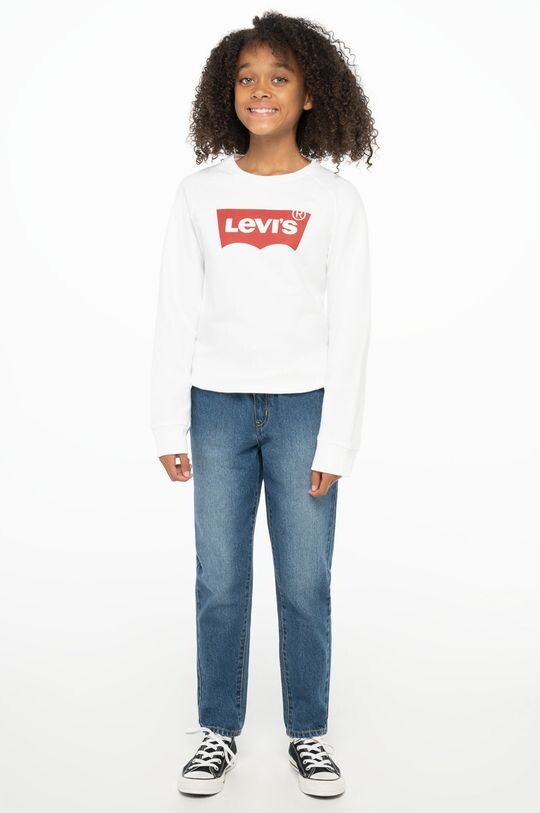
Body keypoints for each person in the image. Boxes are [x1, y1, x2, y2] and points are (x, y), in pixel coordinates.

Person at [150, 10, 377, 799]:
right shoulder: (199, 193)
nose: (261, 90)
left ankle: (308, 732)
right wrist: (167, 421)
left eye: (279, 76)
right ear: (228, 91)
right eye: (246, 77)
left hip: (304, 410)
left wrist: (336, 442)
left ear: (311, 94)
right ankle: (218, 729)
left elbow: (351, 326)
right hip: (215, 407)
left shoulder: (335, 201)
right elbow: (176, 310)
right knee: (219, 579)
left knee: (305, 581)